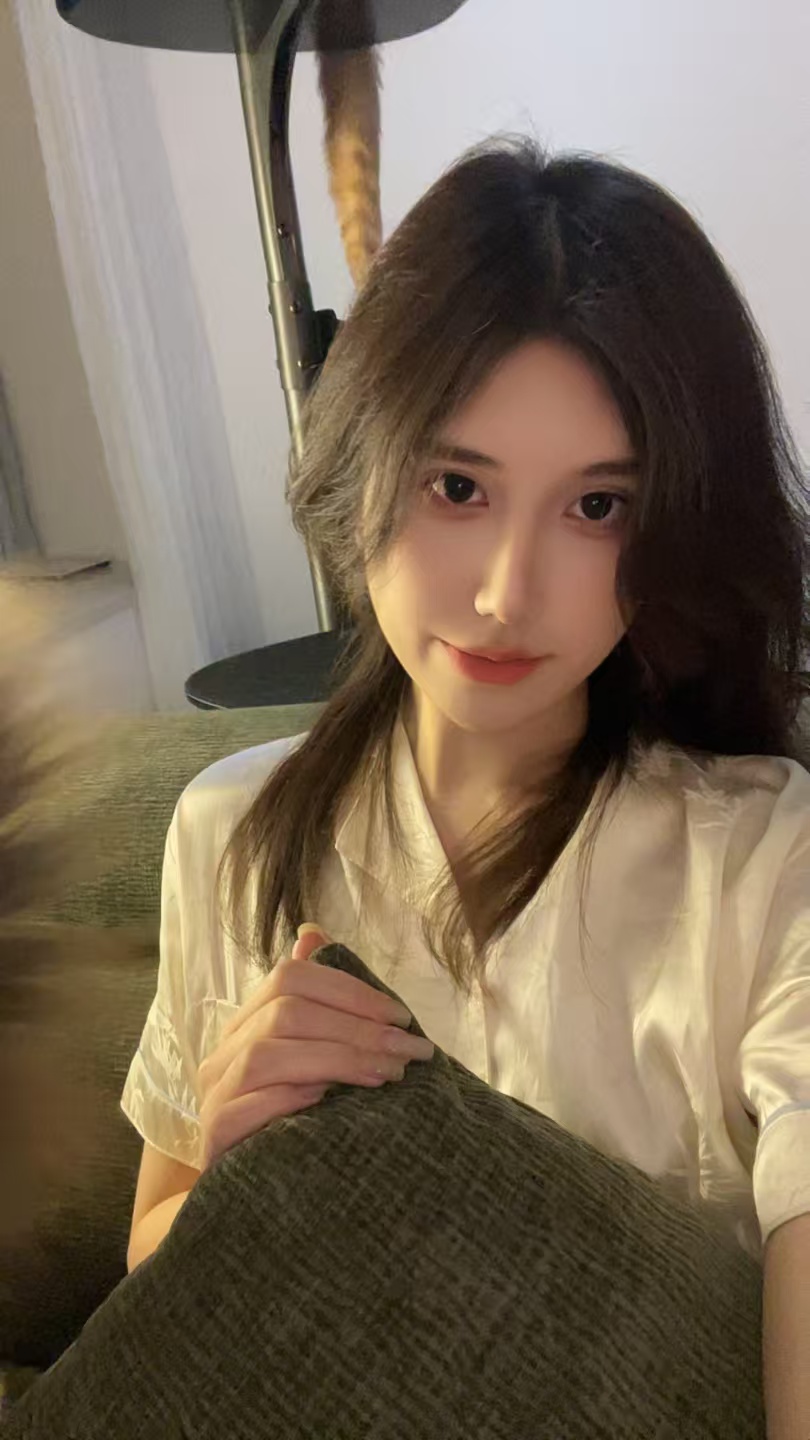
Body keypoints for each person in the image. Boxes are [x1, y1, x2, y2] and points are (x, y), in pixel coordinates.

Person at [121, 138, 810, 1434]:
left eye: (597, 508)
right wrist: (229, 1175)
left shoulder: (769, 859)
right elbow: (150, 1262)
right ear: (361, 468)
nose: (504, 591)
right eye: (457, 486)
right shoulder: (231, 834)